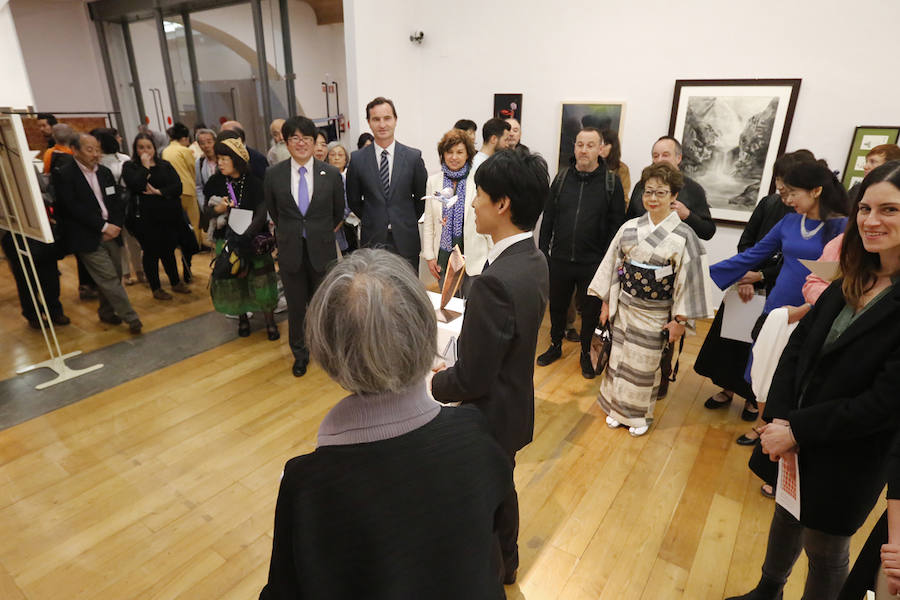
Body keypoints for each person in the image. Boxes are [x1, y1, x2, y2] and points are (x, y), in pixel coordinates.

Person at [258, 249, 513, 599]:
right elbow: (492, 541)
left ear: (328, 349)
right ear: (423, 329)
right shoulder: (475, 432)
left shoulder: (306, 486)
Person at [727, 160, 900, 600]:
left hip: (848, 450)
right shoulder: (855, 275)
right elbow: (798, 347)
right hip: (795, 432)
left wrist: (797, 429)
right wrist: (780, 419)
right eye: (865, 208)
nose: (871, 221)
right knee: (785, 515)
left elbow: (883, 403)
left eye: (889, 210)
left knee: (824, 547)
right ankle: (768, 590)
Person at [432, 150, 550, 585]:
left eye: (478, 194)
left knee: (486, 495)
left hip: (490, 414)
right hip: (514, 403)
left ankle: (495, 568)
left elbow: (472, 378)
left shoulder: (498, 280)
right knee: (502, 486)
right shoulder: (531, 259)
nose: (473, 203)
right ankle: (509, 561)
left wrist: (431, 383)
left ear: (502, 204)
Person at [710, 160, 848, 459]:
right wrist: (714, 273)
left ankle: (776, 430)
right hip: (777, 304)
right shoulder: (788, 222)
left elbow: (840, 279)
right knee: (762, 365)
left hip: (811, 309)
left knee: (791, 372)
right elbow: (757, 253)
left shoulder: (842, 227)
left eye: (793, 193)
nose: (787, 200)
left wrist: (810, 307)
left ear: (817, 190)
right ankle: (764, 422)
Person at [590, 162, 713, 436]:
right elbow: (613, 266)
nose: (653, 199)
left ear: (673, 196)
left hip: (655, 312)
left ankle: (638, 416)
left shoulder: (685, 236)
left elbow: (688, 280)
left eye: (660, 193)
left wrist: (680, 320)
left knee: (644, 367)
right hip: (624, 306)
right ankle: (614, 408)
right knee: (618, 360)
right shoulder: (629, 228)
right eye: (648, 192)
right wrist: (607, 302)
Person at [697, 150, 816, 423]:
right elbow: (749, 242)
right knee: (732, 342)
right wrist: (744, 275)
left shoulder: (818, 221)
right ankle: (727, 388)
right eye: (780, 185)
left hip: (779, 289)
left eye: (789, 189)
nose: (783, 195)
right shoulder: (769, 204)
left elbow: (796, 263)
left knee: (760, 346)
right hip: (746, 281)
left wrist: (759, 275)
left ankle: (753, 399)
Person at [537, 127, 626, 378]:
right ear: (574, 147)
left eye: (589, 145)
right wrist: (543, 251)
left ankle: (586, 352)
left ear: (601, 149)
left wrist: (607, 264)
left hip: (593, 262)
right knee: (557, 307)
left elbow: (616, 227)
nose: (583, 150)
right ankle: (555, 345)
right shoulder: (562, 179)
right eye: (579, 144)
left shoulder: (611, 183)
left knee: (589, 312)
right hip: (560, 259)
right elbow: (549, 218)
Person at [265, 116, 344, 377]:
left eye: (306, 138)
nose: (301, 143)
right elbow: (275, 212)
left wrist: (316, 231)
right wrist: (292, 232)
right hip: (291, 252)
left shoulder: (330, 174)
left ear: (314, 142)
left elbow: (337, 213)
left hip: (322, 251)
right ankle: (300, 354)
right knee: (297, 308)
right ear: (285, 142)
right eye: (294, 138)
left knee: (325, 306)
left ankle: (329, 352)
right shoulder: (273, 174)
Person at [53, 133, 142, 333]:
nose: (96, 154)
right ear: (75, 151)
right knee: (108, 277)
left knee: (114, 276)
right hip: (87, 236)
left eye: (97, 149)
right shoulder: (65, 174)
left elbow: (116, 201)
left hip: (112, 232)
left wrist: (115, 225)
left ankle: (107, 312)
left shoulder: (104, 172)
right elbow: (72, 208)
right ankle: (132, 318)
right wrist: (102, 227)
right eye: (90, 149)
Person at [204, 136, 279, 340]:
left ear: (237, 159)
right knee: (235, 282)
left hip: (253, 241)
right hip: (227, 240)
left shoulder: (255, 182)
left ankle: (270, 322)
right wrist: (218, 209)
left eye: (224, 158)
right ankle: (243, 320)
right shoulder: (215, 182)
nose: (219, 162)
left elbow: (262, 212)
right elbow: (206, 213)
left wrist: (245, 236)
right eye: (218, 158)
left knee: (263, 282)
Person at [346, 97, 428, 271]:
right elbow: (353, 200)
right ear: (369, 122)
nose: (382, 124)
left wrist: (405, 218)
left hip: (406, 238)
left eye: (387, 118)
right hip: (373, 239)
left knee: (407, 291)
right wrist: (374, 216)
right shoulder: (358, 159)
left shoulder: (413, 157)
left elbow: (421, 198)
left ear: (395, 120)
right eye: (376, 119)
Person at [421, 129, 492, 296]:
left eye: (459, 152)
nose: (454, 157)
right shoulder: (434, 181)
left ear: (468, 154)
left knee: (473, 307)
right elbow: (430, 222)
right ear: (443, 154)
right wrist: (430, 256)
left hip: (475, 257)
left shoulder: (479, 179)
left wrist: (492, 255)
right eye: (449, 152)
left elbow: (489, 218)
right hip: (444, 257)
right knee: (450, 307)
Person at [122, 133, 191, 300]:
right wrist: (145, 168)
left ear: (154, 148)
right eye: (141, 147)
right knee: (151, 252)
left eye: (148, 147)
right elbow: (136, 185)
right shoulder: (130, 167)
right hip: (145, 219)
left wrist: (159, 192)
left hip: (168, 215)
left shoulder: (164, 165)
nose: (145, 151)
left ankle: (175, 281)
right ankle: (156, 287)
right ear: (135, 149)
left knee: (169, 250)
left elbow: (177, 187)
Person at [625, 135, 715, 240]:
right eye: (655, 156)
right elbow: (628, 221)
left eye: (665, 155)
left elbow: (708, 232)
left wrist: (687, 215)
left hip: (675, 251)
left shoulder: (693, 189)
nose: (660, 160)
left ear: (678, 158)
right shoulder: (641, 185)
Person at [93, 128, 144, 286]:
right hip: (112, 205)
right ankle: (127, 272)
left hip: (124, 203)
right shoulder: (99, 162)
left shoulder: (123, 159)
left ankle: (137, 270)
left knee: (131, 239)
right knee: (120, 240)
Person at [161, 123, 201, 281]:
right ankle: (188, 268)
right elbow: (193, 171)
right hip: (188, 192)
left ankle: (184, 267)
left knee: (178, 230)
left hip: (171, 196)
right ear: (184, 138)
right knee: (192, 229)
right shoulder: (185, 150)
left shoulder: (165, 151)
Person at [327, 141, 356, 253]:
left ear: (346, 159)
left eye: (340, 155)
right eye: (333, 154)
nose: (336, 158)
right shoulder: (324, 177)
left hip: (349, 225)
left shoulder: (351, 176)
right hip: (329, 226)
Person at [194, 127, 218, 240]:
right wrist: (203, 205)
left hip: (227, 203)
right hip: (210, 206)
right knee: (216, 238)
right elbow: (198, 186)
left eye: (209, 142)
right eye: (202, 143)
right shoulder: (199, 163)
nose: (206, 146)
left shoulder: (223, 159)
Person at [599, 128, 631, 200]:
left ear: (613, 146)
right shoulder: (592, 165)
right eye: (600, 143)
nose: (601, 147)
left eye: (606, 144)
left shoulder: (622, 168)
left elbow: (623, 195)